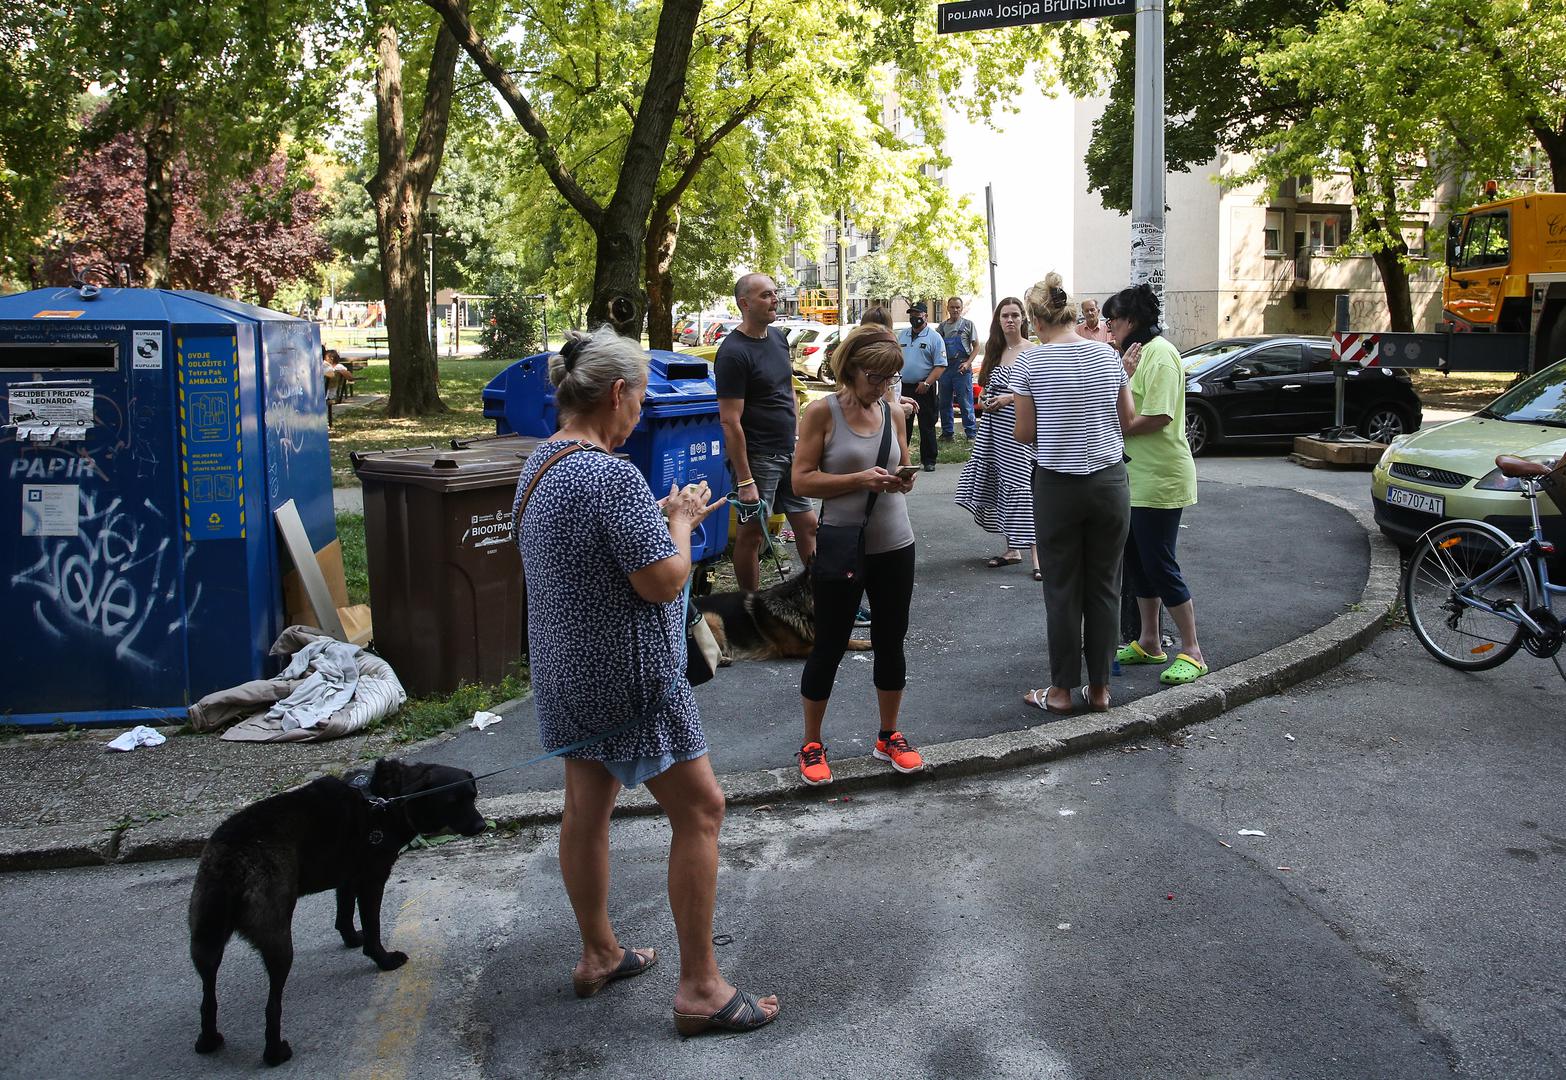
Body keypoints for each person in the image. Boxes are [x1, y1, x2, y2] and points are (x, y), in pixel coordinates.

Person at [514, 326, 778, 1036]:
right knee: (701, 811)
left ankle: (599, 953)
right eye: (642, 399)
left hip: (565, 672)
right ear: (619, 394)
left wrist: (657, 523)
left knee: (586, 807)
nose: (642, 413)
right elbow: (663, 583)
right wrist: (684, 522)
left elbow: (595, 557)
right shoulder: (611, 474)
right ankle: (700, 987)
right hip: (631, 680)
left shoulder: (540, 463)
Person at [791, 325, 923, 786]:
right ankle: (811, 743)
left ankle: (889, 735)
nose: (882, 387)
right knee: (828, 642)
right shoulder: (821, 413)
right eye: (875, 377)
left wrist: (903, 479)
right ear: (850, 370)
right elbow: (802, 481)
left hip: (894, 543)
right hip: (842, 542)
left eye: (889, 379)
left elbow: (900, 467)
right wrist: (858, 480)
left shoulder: (893, 410)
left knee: (892, 640)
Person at [1011, 273, 1136, 716]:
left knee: (1062, 589)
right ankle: (1100, 690)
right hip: (1108, 481)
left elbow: (1025, 433)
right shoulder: (1106, 355)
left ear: (1036, 322)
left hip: (1058, 486)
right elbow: (1128, 419)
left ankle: (1062, 690)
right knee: (1105, 586)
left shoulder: (1032, 364)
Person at [1103, 284, 1208, 685]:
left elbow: (1159, 416)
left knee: (1161, 563)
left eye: (1113, 321)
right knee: (1139, 562)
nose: (1109, 328)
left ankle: (1193, 650)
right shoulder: (1132, 354)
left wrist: (1125, 423)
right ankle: (1149, 642)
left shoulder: (1161, 355)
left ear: (1132, 321)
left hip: (1161, 477)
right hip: (1135, 477)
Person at [716, 273, 818, 592]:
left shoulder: (777, 338)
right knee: (753, 535)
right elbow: (730, 421)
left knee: (808, 525)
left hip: (789, 452)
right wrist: (745, 480)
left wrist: (798, 437)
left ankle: (823, 597)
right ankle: (753, 609)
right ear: (744, 303)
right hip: (758, 458)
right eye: (765, 295)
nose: (774, 299)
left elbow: (788, 389)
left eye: (775, 293)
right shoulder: (733, 353)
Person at [954, 297, 1039, 578]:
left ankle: (1038, 558)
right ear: (998, 320)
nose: (1010, 320)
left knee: (1022, 485)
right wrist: (989, 401)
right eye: (1005, 316)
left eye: (1015, 315)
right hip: (994, 427)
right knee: (1002, 482)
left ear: (1024, 319)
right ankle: (1012, 549)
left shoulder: (1032, 351)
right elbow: (986, 387)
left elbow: (1039, 393)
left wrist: (1007, 399)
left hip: (1019, 426)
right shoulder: (995, 349)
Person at [897, 301, 946, 471]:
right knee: (903, 425)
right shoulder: (902, 335)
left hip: (924, 387)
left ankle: (929, 460)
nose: (914, 318)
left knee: (927, 425)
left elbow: (940, 365)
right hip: (904, 388)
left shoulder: (934, 337)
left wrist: (927, 383)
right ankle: (902, 460)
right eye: (912, 314)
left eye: (918, 314)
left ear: (925, 316)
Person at [936, 296, 977, 441]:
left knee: (965, 402)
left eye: (958, 307)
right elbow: (937, 347)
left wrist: (968, 363)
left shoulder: (968, 325)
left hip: (962, 368)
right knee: (944, 402)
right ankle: (948, 433)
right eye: (952, 307)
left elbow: (976, 346)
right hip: (946, 368)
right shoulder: (941, 327)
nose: (955, 310)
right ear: (947, 308)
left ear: (961, 308)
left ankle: (971, 434)